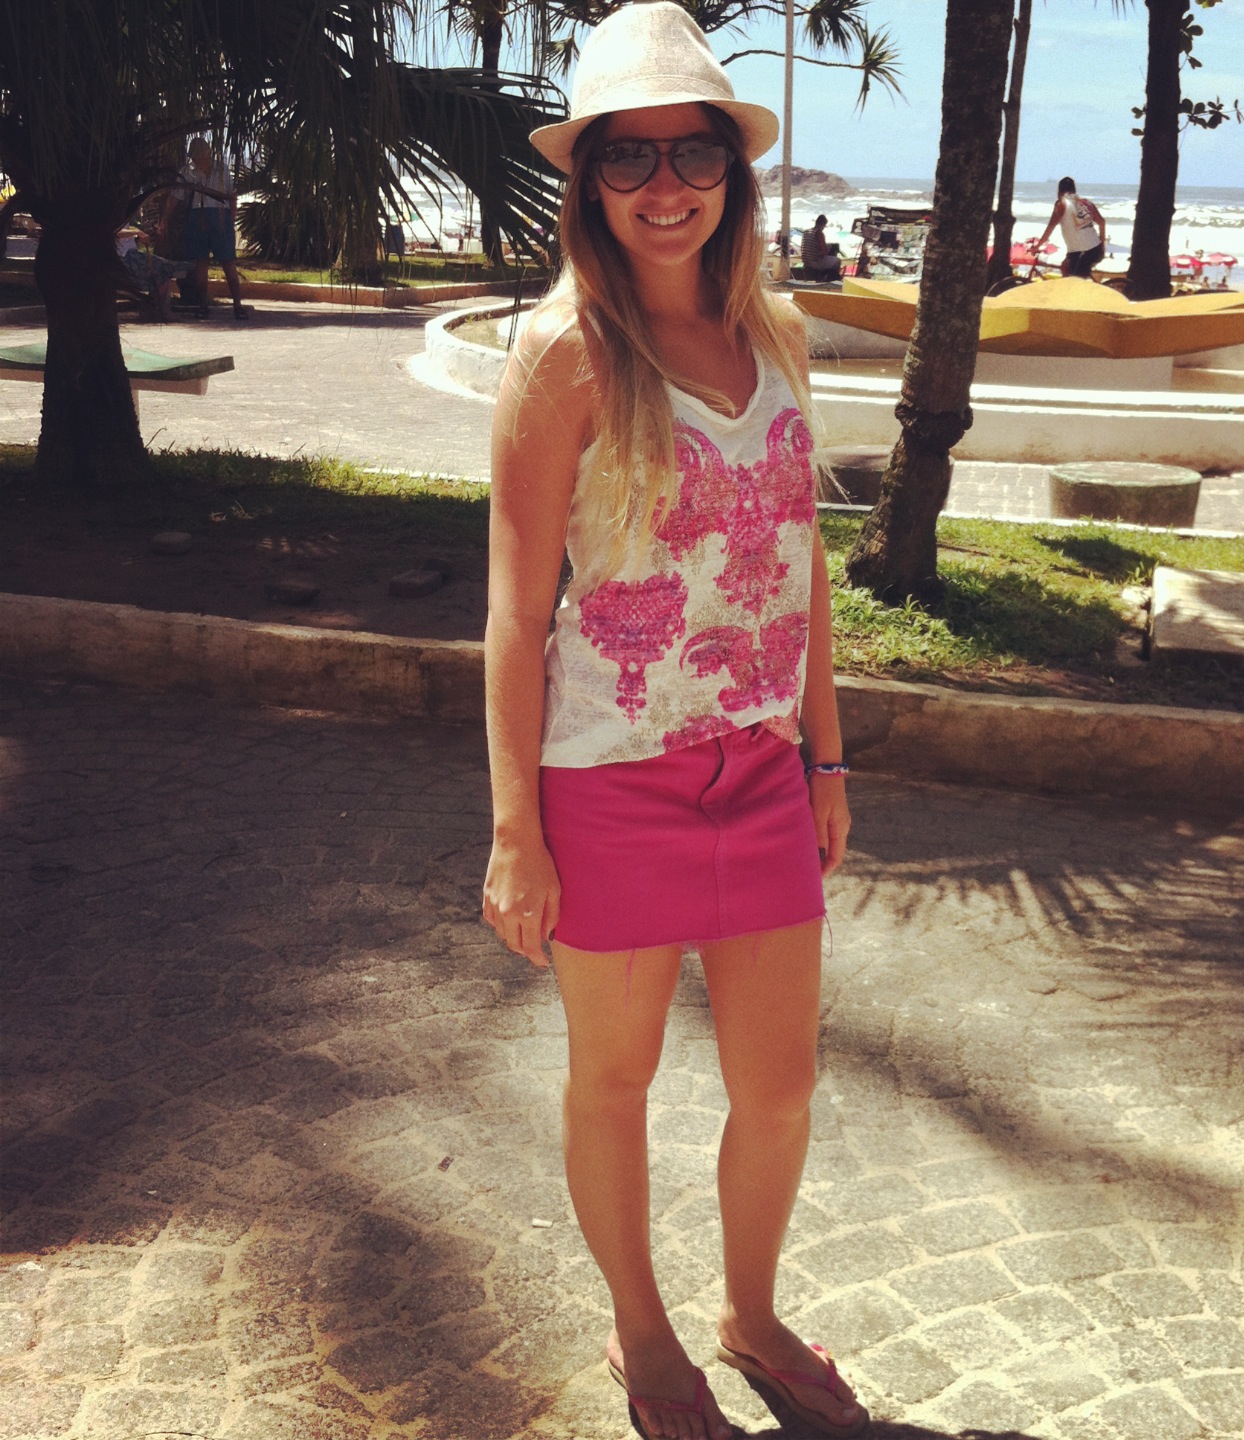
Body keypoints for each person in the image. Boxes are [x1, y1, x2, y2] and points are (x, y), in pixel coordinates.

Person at [485, 7, 863, 1440]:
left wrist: (826, 755)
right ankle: (642, 1333)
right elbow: (516, 614)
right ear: (589, 181)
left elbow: (800, 558)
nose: (665, 184)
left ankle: (751, 1315)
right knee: (615, 1079)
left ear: (731, 172)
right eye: (629, 156)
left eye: (693, 152)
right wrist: (516, 832)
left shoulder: (776, 330)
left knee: (781, 1089)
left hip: (761, 770)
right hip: (609, 781)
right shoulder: (564, 354)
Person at [165, 138, 250, 319]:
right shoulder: (187, 171)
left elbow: (231, 195)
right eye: (194, 156)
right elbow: (175, 197)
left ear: (207, 153)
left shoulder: (221, 169)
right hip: (198, 216)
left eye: (200, 155)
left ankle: (237, 305)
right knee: (201, 263)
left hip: (220, 215)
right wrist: (164, 220)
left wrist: (230, 219)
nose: (197, 160)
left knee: (228, 261)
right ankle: (202, 304)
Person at [1035, 177, 1106, 278]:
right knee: (1065, 267)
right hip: (1094, 249)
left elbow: (1050, 228)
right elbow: (1102, 222)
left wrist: (1036, 247)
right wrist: (1102, 242)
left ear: (1059, 190)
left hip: (1084, 253)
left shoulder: (1061, 204)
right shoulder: (1087, 203)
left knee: (1075, 282)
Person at [115, 225, 190, 321]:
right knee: (163, 268)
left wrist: (137, 237)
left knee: (164, 269)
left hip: (131, 254)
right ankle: (161, 311)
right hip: (124, 258)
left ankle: (156, 309)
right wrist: (137, 233)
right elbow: (115, 232)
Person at [799, 213, 841, 280]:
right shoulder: (819, 233)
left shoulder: (806, 232)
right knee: (837, 261)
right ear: (823, 224)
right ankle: (830, 279)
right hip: (815, 262)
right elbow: (824, 251)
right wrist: (828, 248)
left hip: (806, 262)